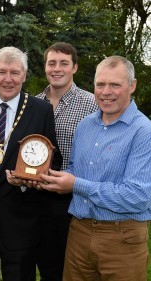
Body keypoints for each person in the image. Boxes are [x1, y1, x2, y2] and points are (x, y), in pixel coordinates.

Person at [39, 55, 151, 281]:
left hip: (122, 238)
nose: (105, 92)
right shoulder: (85, 125)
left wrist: (75, 185)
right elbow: (74, 169)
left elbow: (138, 196)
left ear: (132, 86)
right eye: (100, 84)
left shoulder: (143, 131)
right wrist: (51, 179)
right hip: (79, 232)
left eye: (115, 85)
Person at [0, 46, 62, 281]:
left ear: (24, 75)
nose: (8, 79)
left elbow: (53, 158)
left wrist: (29, 180)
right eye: (2, 72)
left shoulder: (41, 110)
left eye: (15, 73)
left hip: (21, 219)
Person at [35, 42, 98, 281]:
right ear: (45, 67)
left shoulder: (91, 104)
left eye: (64, 63)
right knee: (44, 263)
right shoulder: (33, 102)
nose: (57, 68)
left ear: (75, 67)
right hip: (35, 193)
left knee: (68, 267)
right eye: (52, 63)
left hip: (72, 198)